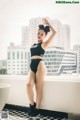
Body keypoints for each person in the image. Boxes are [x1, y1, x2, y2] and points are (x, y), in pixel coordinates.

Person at [26, 18, 57, 116]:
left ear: (44, 36)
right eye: (38, 33)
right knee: (28, 85)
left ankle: (37, 109)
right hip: (32, 64)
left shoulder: (45, 44)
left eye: (42, 34)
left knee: (38, 88)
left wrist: (48, 23)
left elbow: (55, 32)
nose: (39, 35)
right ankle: (32, 104)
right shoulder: (33, 44)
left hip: (40, 65)